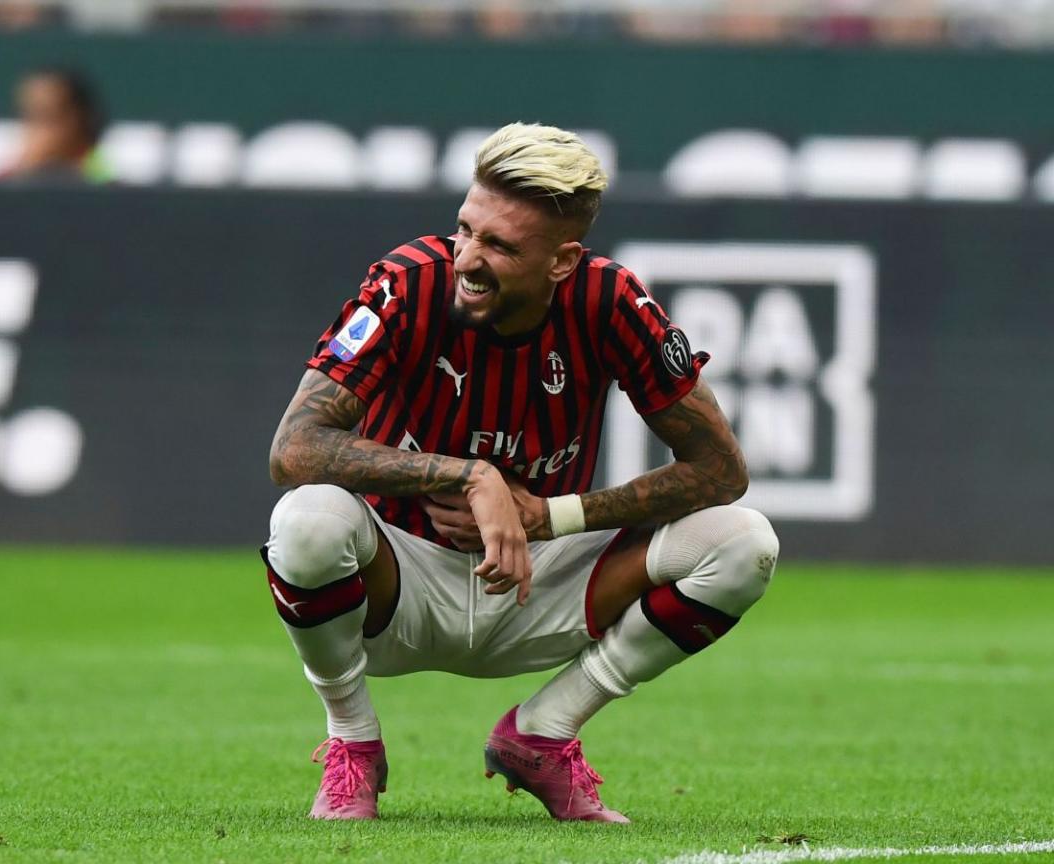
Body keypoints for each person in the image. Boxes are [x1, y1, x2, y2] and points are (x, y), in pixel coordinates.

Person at [263, 122, 778, 822]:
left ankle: (544, 732)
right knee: (306, 520)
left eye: (499, 246)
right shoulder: (408, 284)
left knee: (744, 543)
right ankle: (353, 741)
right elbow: (293, 447)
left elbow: (722, 470)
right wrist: (465, 476)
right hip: (401, 581)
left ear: (562, 262)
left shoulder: (611, 303)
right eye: (465, 229)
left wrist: (552, 515)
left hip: (543, 578)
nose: (467, 259)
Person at [0, 67, 110, 183]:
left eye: (46, 116)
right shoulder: (5, 179)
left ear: (79, 120)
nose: (35, 131)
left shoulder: (105, 177)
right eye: (29, 116)